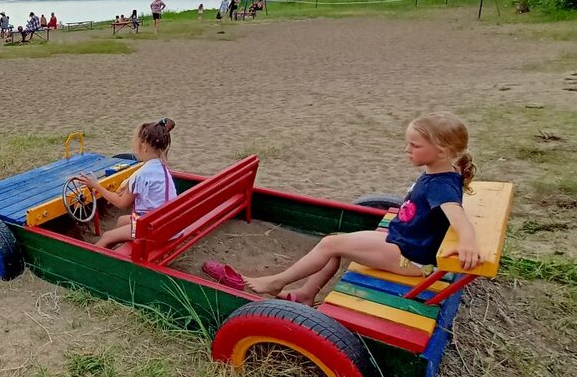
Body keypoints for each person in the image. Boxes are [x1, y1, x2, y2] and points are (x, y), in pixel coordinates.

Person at [203, 113, 481, 305]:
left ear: (442, 151)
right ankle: (304, 294)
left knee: (331, 245)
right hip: (404, 242)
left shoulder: (441, 185)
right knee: (333, 244)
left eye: (414, 145)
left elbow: (456, 213)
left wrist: (467, 240)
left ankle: (274, 283)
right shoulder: (441, 172)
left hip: (411, 260)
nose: (406, 149)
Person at [76, 119, 178, 248]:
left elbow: (121, 204)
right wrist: (128, 182)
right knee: (121, 220)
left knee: (108, 236)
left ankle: (90, 261)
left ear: (144, 146)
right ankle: (121, 249)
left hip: (155, 231)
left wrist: (96, 185)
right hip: (168, 224)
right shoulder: (161, 167)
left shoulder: (141, 175)